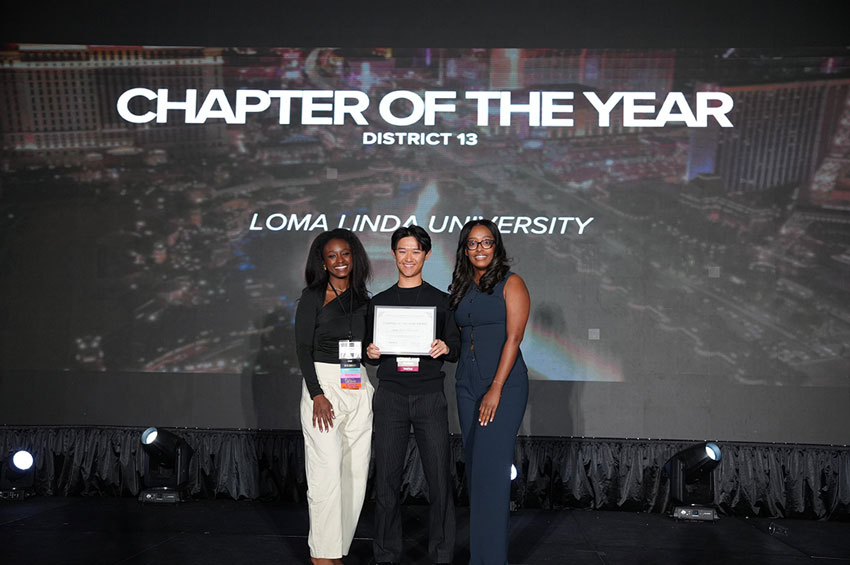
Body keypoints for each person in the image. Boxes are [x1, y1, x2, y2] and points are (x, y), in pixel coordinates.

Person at [365, 226, 459, 565]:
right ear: (393, 254)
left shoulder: (441, 302)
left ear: (427, 255)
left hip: (429, 396)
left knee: (439, 481)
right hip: (390, 396)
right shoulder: (378, 303)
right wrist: (371, 351)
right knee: (387, 481)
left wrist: (446, 346)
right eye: (402, 250)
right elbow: (365, 350)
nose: (408, 257)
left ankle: (442, 553)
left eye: (415, 251)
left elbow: (456, 347)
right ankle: (386, 554)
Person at [448, 219, 530, 565]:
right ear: (464, 249)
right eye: (472, 243)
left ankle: (492, 559)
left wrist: (495, 388)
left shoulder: (512, 284)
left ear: (496, 247)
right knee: (476, 473)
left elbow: (514, 338)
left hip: (502, 386)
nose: (479, 249)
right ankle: (479, 556)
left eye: (486, 242)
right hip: (466, 384)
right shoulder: (462, 286)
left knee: (492, 474)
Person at [295, 228, 374, 565]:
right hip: (323, 388)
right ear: (323, 262)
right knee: (325, 475)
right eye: (332, 256)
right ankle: (322, 556)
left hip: (357, 383)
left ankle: (336, 550)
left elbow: (368, 354)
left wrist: (377, 351)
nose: (340, 261)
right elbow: (302, 347)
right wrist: (316, 394)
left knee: (355, 477)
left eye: (346, 254)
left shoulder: (366, 300)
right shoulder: (313, 296)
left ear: (355, 257)